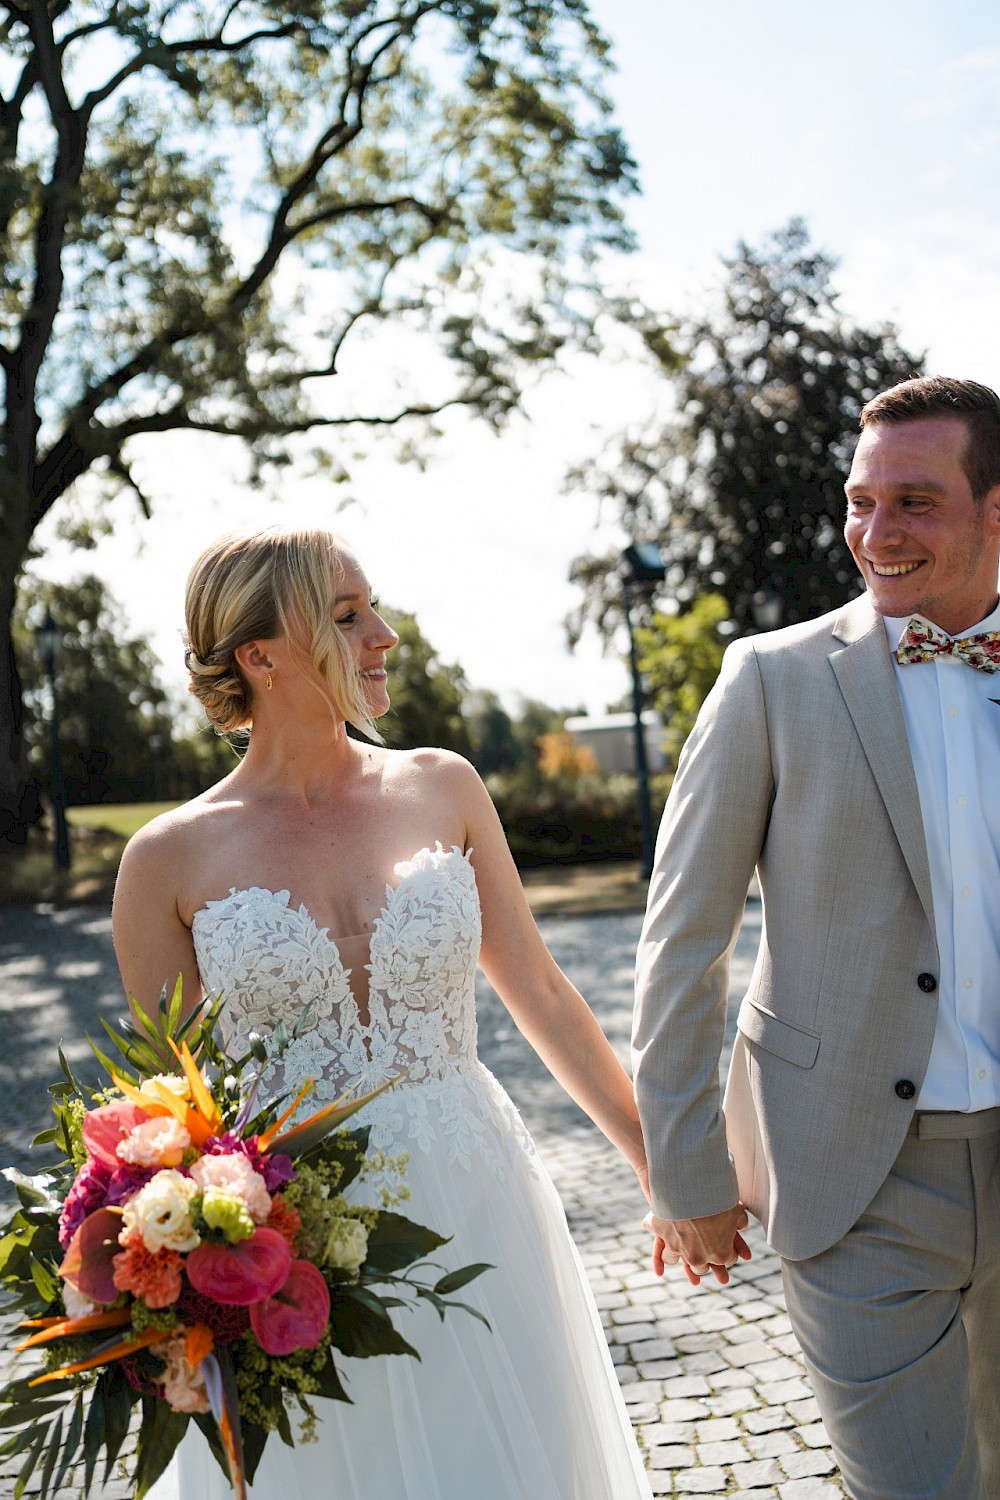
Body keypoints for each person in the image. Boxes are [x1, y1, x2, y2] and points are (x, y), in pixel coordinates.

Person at [113, 525, 654, 1500]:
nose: (385, 635)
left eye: (374, 607)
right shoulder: (167, 858)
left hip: (478, 1204)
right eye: (348, 614)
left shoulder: (442, 785)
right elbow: (168, 1107)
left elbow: (535, 986)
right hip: (291, 1248)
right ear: (259, 653)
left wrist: (660, 1160)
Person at [633, 374, 1000, 1500]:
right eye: (859, 501)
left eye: (914, 502)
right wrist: (684, 1168)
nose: (873, 535)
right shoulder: (770, 680)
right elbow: (682, 938)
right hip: (853, 1173)